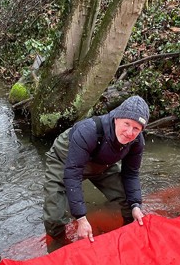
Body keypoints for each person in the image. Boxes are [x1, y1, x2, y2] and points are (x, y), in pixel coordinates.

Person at [43, 95, 149, 246]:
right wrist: (81, 218)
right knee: (54, 216)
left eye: (136, 128)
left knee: (127, 200)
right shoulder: (89, 131)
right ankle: (58, 246)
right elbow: (73, 175)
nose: (129, 132)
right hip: (65, 159)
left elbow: (130, 174)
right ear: (116, 118)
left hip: (102, 162)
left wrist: (136, 205)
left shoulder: (137, 142)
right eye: (127, 123)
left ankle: (128, 234)